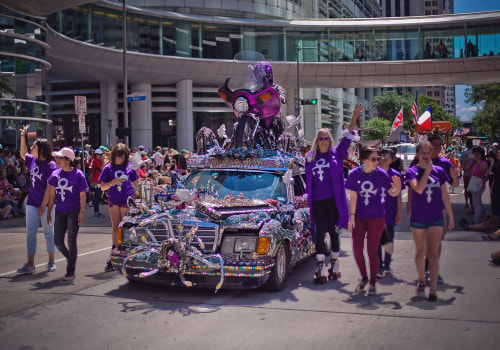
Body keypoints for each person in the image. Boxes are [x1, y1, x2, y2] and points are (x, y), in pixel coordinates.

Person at [305, 103, 363, 284]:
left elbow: (346, 138)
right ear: (316, 141)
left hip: (333, 200)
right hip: (318, 201)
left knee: (334, 230)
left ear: (330, 141)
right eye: (320, 138)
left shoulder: (337, 154)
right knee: (320, 231)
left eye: (326, 138)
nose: (323, 141)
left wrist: (353, 119)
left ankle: (335, 264)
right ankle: (320, 265)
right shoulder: (310, 158)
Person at [346, 146, 401, 295]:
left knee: (372, 250)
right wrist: (351, 218)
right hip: (359, 216)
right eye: (373, 159)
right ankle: (364, 277)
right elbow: (353, 197)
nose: (377, 161)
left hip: (376, 216)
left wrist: (397, 188)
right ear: (363, 160)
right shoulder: (354, 174)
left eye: (377, 158)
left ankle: (373, 283)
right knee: (357, 249)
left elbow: (391, 192)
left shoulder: (381, 175)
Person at [405, 140, 454, 302]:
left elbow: (445, 195)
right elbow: (418, 189)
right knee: (421, 251)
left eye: (428, 152)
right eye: (423, 152)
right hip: (418, 218)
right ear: (418, 154)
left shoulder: (439, 171)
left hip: (436, 217)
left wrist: (451, 216)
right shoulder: (411, 171)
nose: (426, 155)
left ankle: (432, 289)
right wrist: (426, 172)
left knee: (433, 253)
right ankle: (421, 279)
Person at [16, 125, 58, 274]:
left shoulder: (51, 165)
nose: (30, 148)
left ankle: (52, 261)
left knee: (48, 232)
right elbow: (22, 153)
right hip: (32, 203)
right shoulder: (32, 161)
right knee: (30, 233)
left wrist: (43, 207)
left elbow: (49, 188)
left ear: (40, 149)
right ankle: (30, 265)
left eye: (33, 146)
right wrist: (23, 136)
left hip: (47, 205)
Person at [47, 147, 89, 281]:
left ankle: (71, 270)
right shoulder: (55, 174)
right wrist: (48, 212)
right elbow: (52, 194)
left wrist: (81, 212)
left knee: (71, 241)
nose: (57, 160)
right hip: (59, 211)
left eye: (60, 158)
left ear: (68, 160)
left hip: (73, 210)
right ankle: (71, 258)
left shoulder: (78, 174)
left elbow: (83, 195)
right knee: (58, 241)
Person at [99, 143, 139, 271]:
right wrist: (112, 183)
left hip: (127, 200)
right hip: (114, 199)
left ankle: (125, 250)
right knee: (116, 227)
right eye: (118, 157)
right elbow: (102, 187)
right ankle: (114, 250)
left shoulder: (130, 167)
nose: (120, 160)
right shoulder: (108, 168)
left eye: (122, 157)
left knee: (125, 227)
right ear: (113, 156)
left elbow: (137, 185)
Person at [377, 148, 404, 277]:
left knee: (389, 240)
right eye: (382, 155)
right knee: (376, 240)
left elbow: (398, 195)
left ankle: (387, 263)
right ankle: (378, 264)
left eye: (388, 155)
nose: (385, 157)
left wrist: (399, 212)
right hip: (375, 213)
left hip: (390, 212)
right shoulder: (372, 173)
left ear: (392, 159)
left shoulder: (395, 175)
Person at [462, 146, 488, 226]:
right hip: (473, 183)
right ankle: (483, 218)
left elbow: (483, 169)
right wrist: (465, 160)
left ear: (482, 155)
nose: (476, 156)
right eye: (474, 154)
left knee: (476, 203)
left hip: (479, 184)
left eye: (478, 154)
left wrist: (477, 160)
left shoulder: (484, 163)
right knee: (477, 203)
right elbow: (465, 169)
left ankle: (476, 221)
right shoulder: (473, 162)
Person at [90, 148, 105, 218]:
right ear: (96, 155)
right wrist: (103, 161)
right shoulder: (96, 161)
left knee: (98, 197)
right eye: (100, 155)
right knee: (97, 197)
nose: (101, 156)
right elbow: (103, 169)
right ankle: (96, 212)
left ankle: (97, 211)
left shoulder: (97, 161)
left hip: (98, 181)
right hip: (97, 182)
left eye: (102, 155)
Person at [460, 139, 474, 209]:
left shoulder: (464, 153)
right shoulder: (474, 153)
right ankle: (472, 204)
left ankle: (466, 203)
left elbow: (461, 162)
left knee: (466, 188)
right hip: (474, 173)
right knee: (473, 189)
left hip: (466, 173)